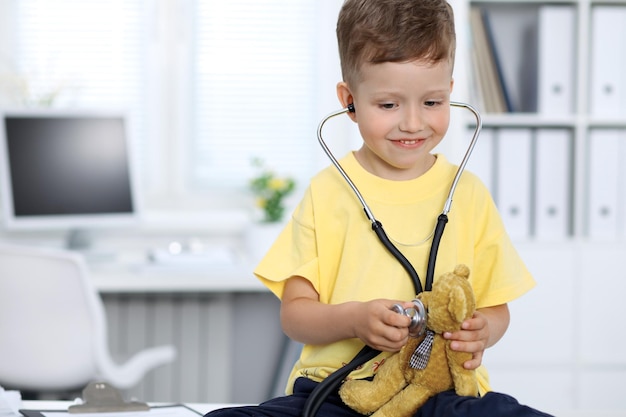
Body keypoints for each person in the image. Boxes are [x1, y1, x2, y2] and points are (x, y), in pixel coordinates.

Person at [207, 0, 553, 416]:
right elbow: (295, 315)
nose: (412, 123)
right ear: (349, 100)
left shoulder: (469, 193)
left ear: (450, 92)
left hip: (438, 394)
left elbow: (496, 307)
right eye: (389, 105)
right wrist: (354, 320)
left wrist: (484, 331)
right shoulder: (327, 193)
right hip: (337, 390)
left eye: (432, 102)